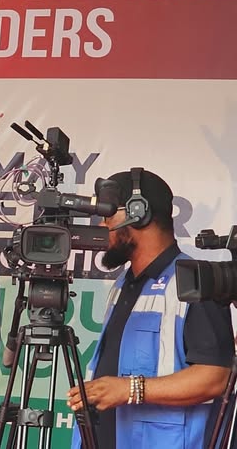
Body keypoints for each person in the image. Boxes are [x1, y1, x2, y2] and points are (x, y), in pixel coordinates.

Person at [67, 168, 234, 449]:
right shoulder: (124, 282)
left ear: (138, 213)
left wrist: (130, 389)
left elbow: (215, 377)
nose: (103, 224)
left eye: (108, 214)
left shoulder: (195, 282)